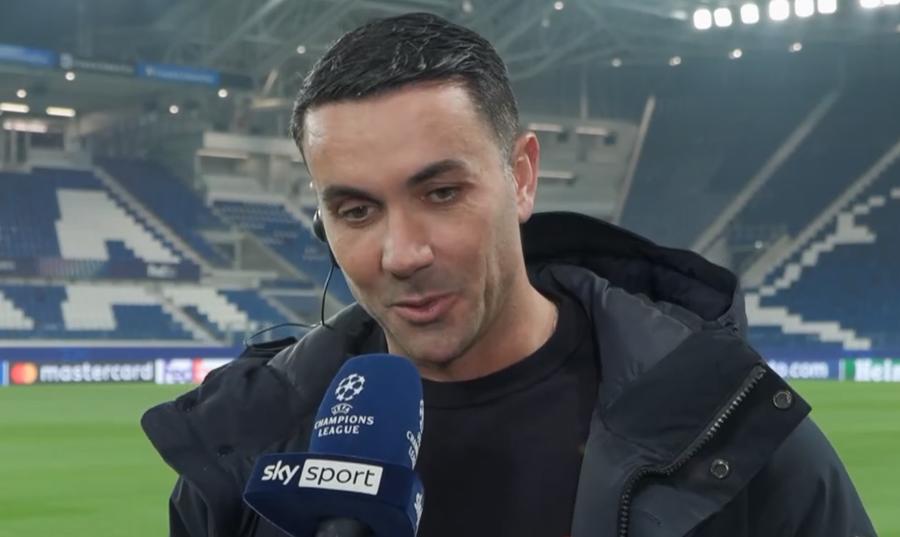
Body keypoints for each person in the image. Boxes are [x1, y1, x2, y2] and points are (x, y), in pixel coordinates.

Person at [142, 12, 876, 537]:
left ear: (521, 177)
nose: (402, 253)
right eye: (356, 210)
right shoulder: (244, 448)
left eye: (441, 193)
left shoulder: (730, 430)